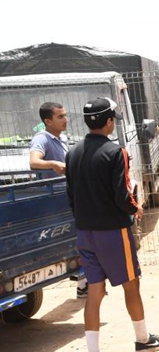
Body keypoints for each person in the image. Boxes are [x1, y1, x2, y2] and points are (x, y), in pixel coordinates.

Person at [66, 97, 159, 352]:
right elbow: (122, 194)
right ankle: (142, 339)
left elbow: (71, 196)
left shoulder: (72, 152)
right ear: (110, 121)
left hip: (85, 232)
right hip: (112, 232)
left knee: (94, 293)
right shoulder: (116, 152)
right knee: (131, 284)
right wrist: (134, 208)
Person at [30, 102, 89, 298]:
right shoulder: (42, 138)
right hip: (54, 200)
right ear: (48, 121)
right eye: (60, 116)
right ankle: (83, 284)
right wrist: (53, 164)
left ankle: (84, 283)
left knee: (77, 238)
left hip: (67, 196)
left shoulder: (60, 138)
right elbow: (33, 162)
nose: (66, 119)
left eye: (65, 115)